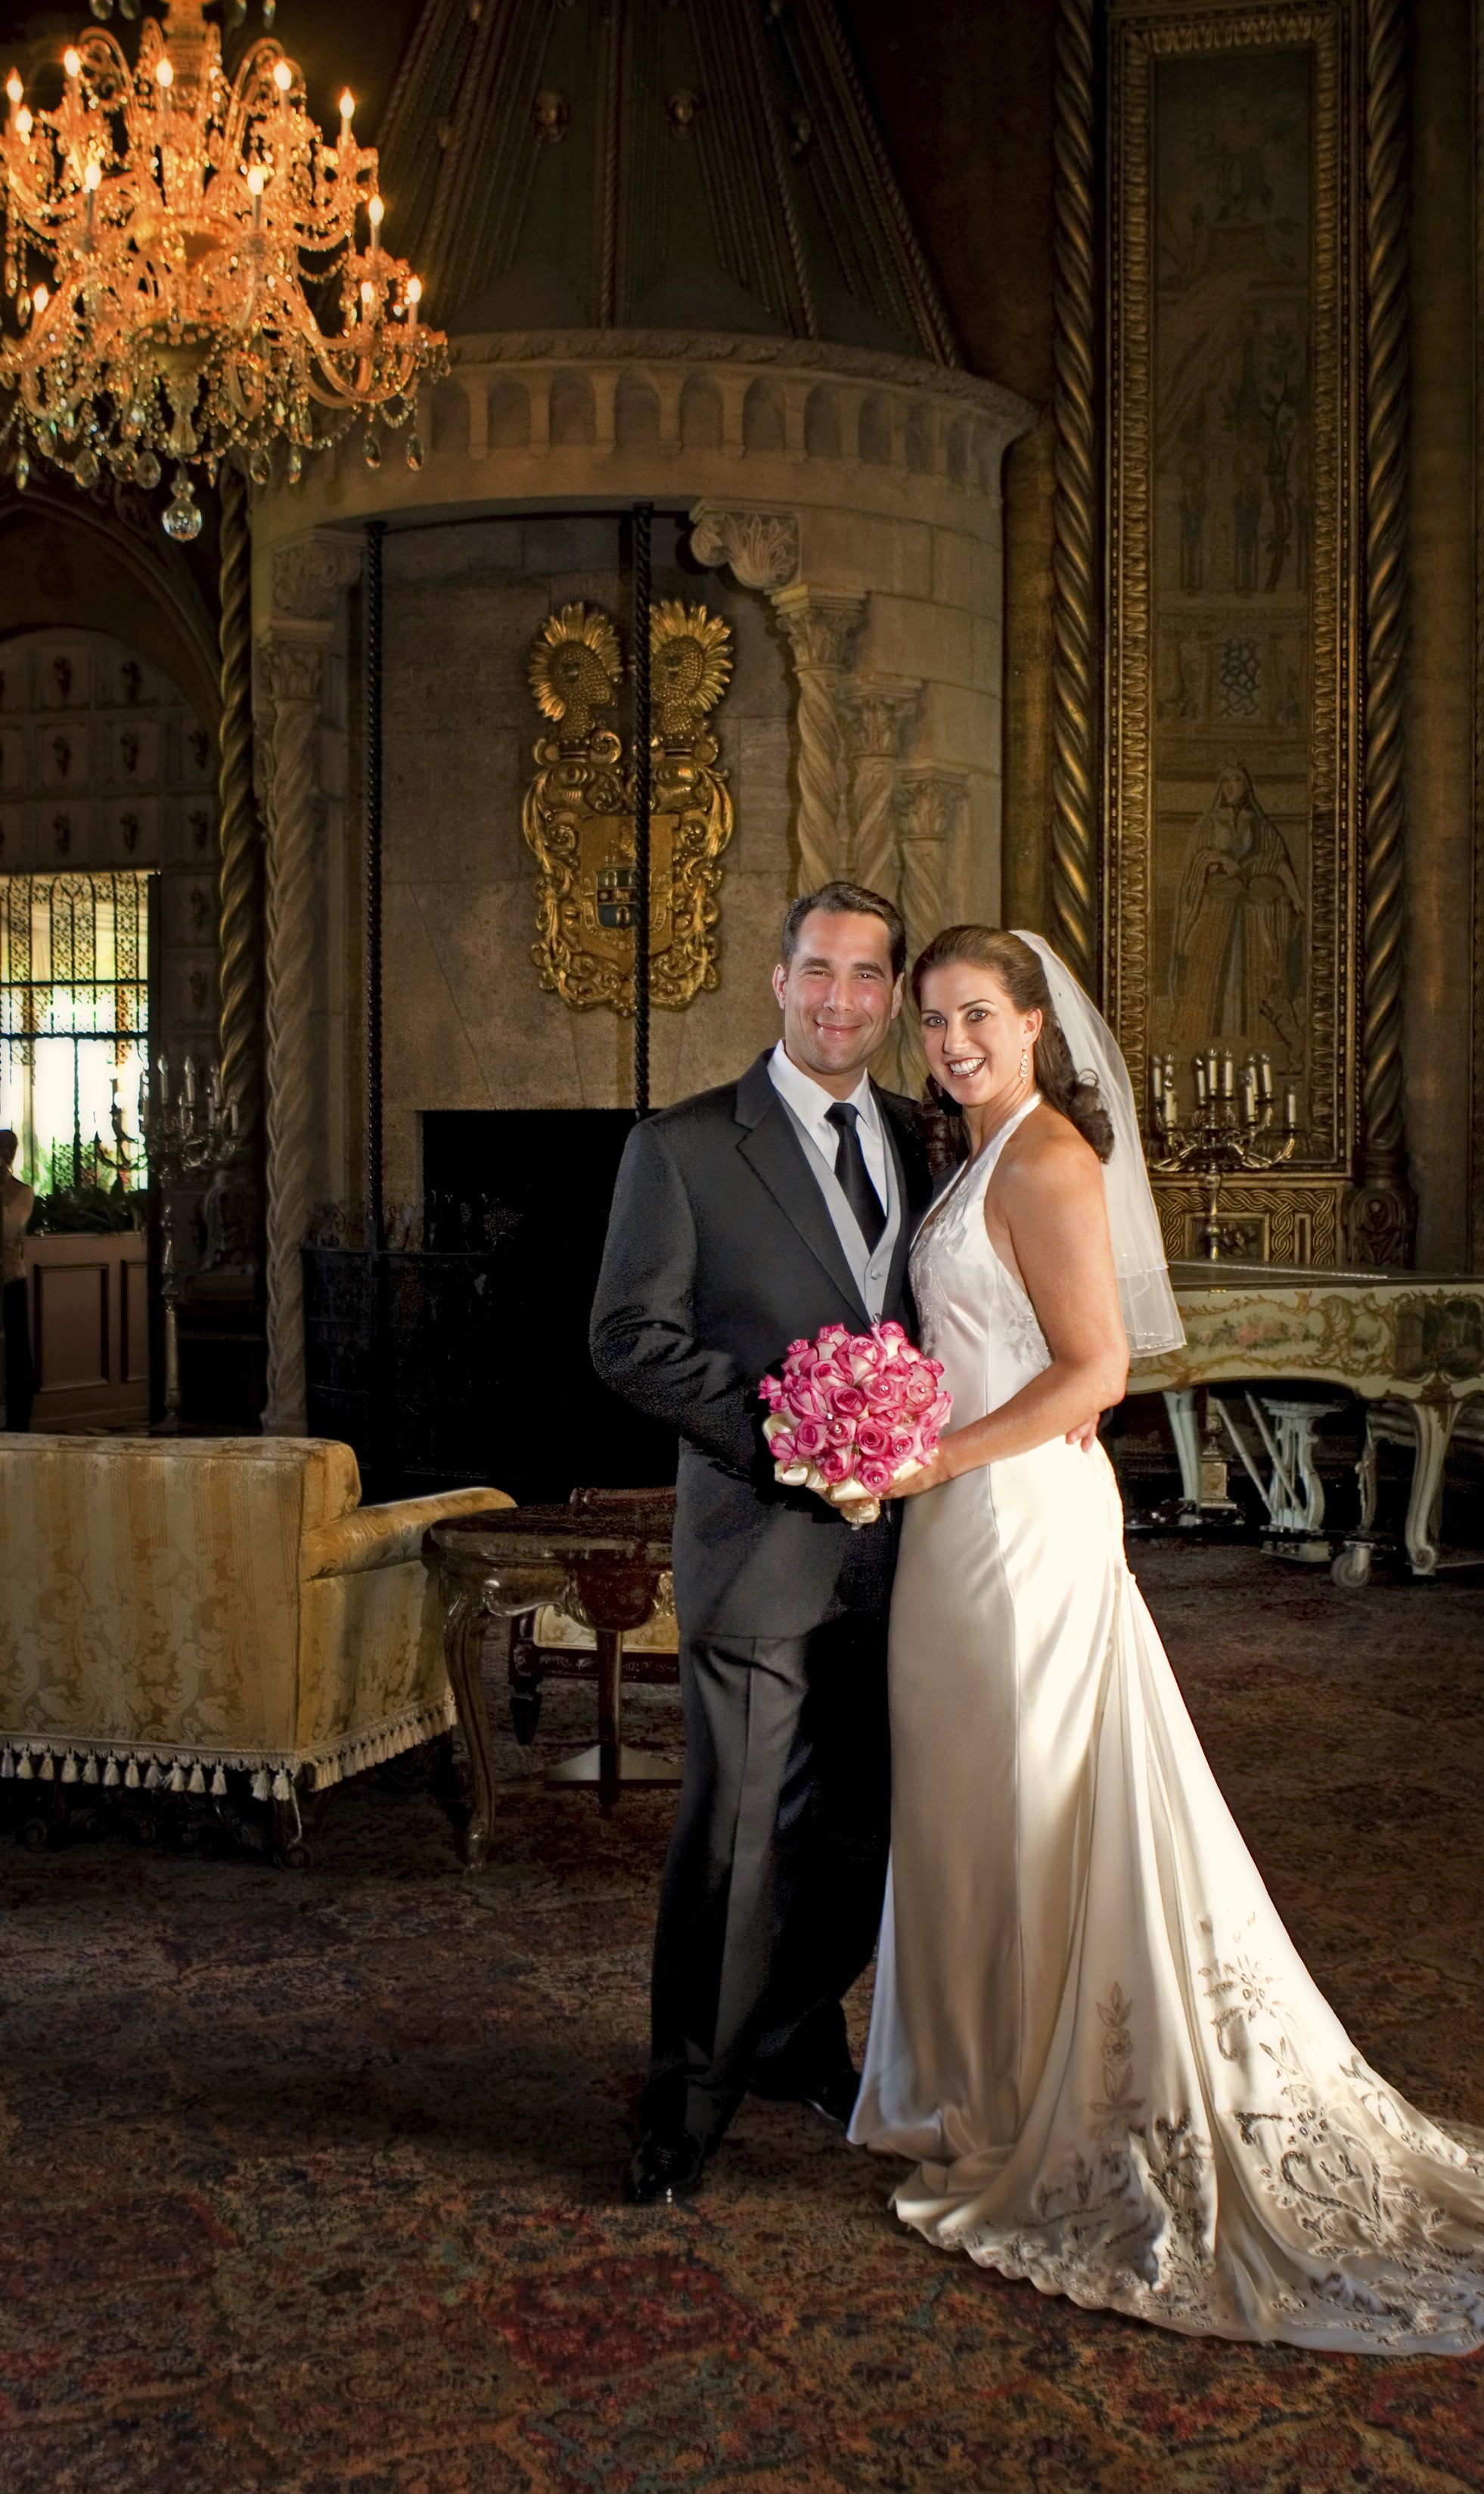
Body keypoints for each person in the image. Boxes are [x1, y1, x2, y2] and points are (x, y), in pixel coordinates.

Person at [851, 924, 1484, 2354]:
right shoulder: (972, 1155)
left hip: (1011, 1525)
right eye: (931, 1020)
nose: (951, 1041)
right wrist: (877, 1416)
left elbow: (1094, 1368)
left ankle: (1047, 2106)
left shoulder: (1041, 1156)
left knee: (1034, 1798)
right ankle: (971, 2092)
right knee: (967, 1801)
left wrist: (924, 1459)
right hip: (954, 1522)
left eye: (976, 1014)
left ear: (1036, 1023)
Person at [591, 882, 935, 2206]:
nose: (840, 998)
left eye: (866, 975)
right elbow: (626, 1338)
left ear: (890, 995)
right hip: (757, 1538)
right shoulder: (679, 1147)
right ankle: (682, 2099)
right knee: (733, 1832)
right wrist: (795, 1432)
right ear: (775, 979)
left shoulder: (923, 1137)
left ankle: (795, 2031)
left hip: (906, 1559)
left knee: (860, 1830)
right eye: (818, 970)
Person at [1, 1129, 34, 1433]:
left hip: (11, 1279)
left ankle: (18, 1422)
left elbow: (10, 1232)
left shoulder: (22, 1193)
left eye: (9, 1149)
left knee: (17, 1354)